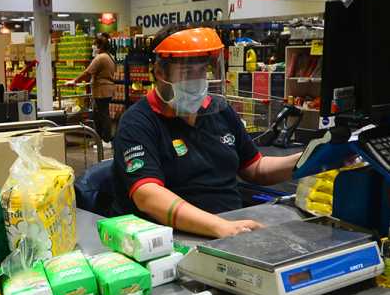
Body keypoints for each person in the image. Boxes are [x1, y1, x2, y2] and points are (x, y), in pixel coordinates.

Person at [110, 26, 301, 239]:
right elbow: (148, 195)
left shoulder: (219, 110)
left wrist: (308, 158)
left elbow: (255, 168)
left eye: (202, 71)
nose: (196, 81)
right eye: (186, 73)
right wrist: (219, 226)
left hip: (233, 228)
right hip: (171, 240)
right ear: (160, 72)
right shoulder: (138, 122)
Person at [66, 33, 116, 146]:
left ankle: (106, 140)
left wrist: (74, 81)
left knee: (102, 115)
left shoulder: (100, 57)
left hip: (101, 90)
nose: (93, 47)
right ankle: (102, 139)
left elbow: (87, 72)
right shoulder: (109, 56)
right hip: (106, 90)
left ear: (100, 46)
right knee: (101, 114)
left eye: (94, 45)